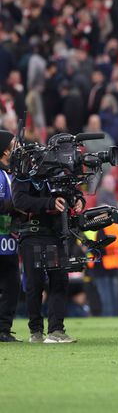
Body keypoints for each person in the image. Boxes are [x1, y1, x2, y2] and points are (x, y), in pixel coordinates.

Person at [13, 142, 85, 342]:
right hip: (33, 234)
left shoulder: (58, 173)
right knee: (35, 283)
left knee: (59, 280)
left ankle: (56, 330)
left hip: (54, 234)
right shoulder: (23, 173)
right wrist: (49, 203)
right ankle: (35, 331)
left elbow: (72, 192)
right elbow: (19, 201)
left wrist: (79, 200)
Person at [0, 131, 20, 342]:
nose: (17, 148)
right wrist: (18, 205)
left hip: (9, 240)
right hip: (3, 235)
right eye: (14, 144)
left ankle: (3, 329)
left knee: (12, 286)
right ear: (5, 150)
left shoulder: (14, 173)